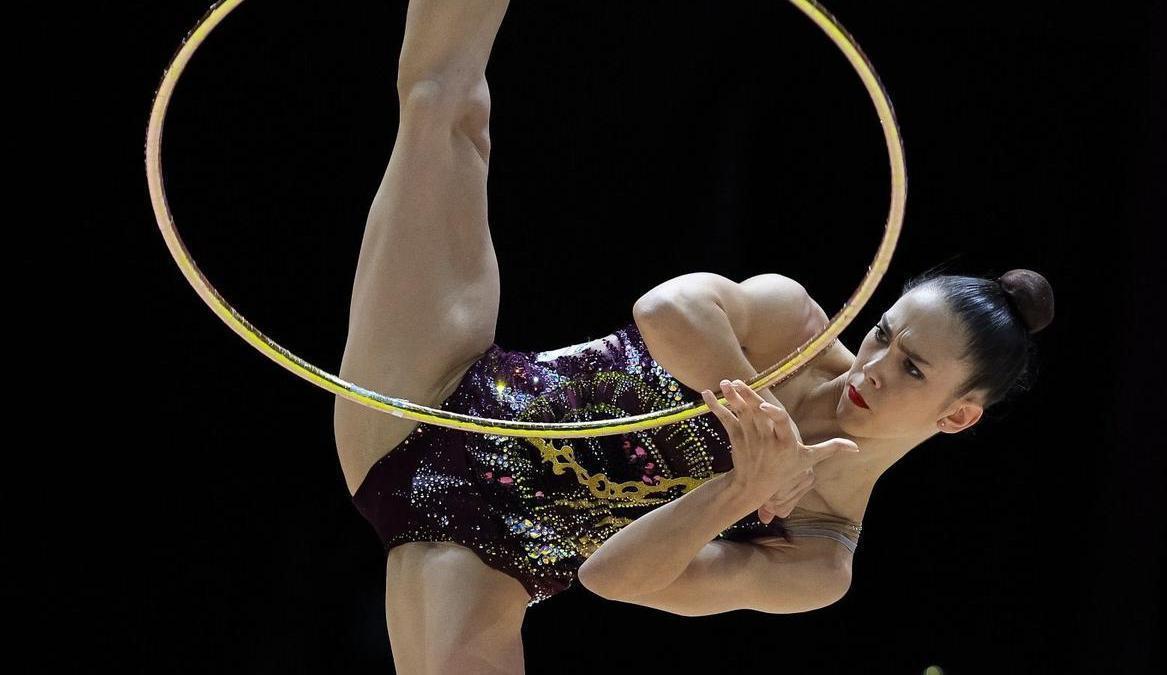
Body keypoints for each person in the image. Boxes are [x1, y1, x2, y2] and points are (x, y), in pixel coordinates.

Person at [333, 2, 1055, 671]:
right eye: (884, 336)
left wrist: (744, 486)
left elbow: (608, 577)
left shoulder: (818, 554)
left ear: (958, 414)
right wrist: (760, 412)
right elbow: (665, 310)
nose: (875, 367)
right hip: (440, 392)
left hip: (491, 560)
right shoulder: (794, 324)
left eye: (914, 370)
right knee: (441, 108)